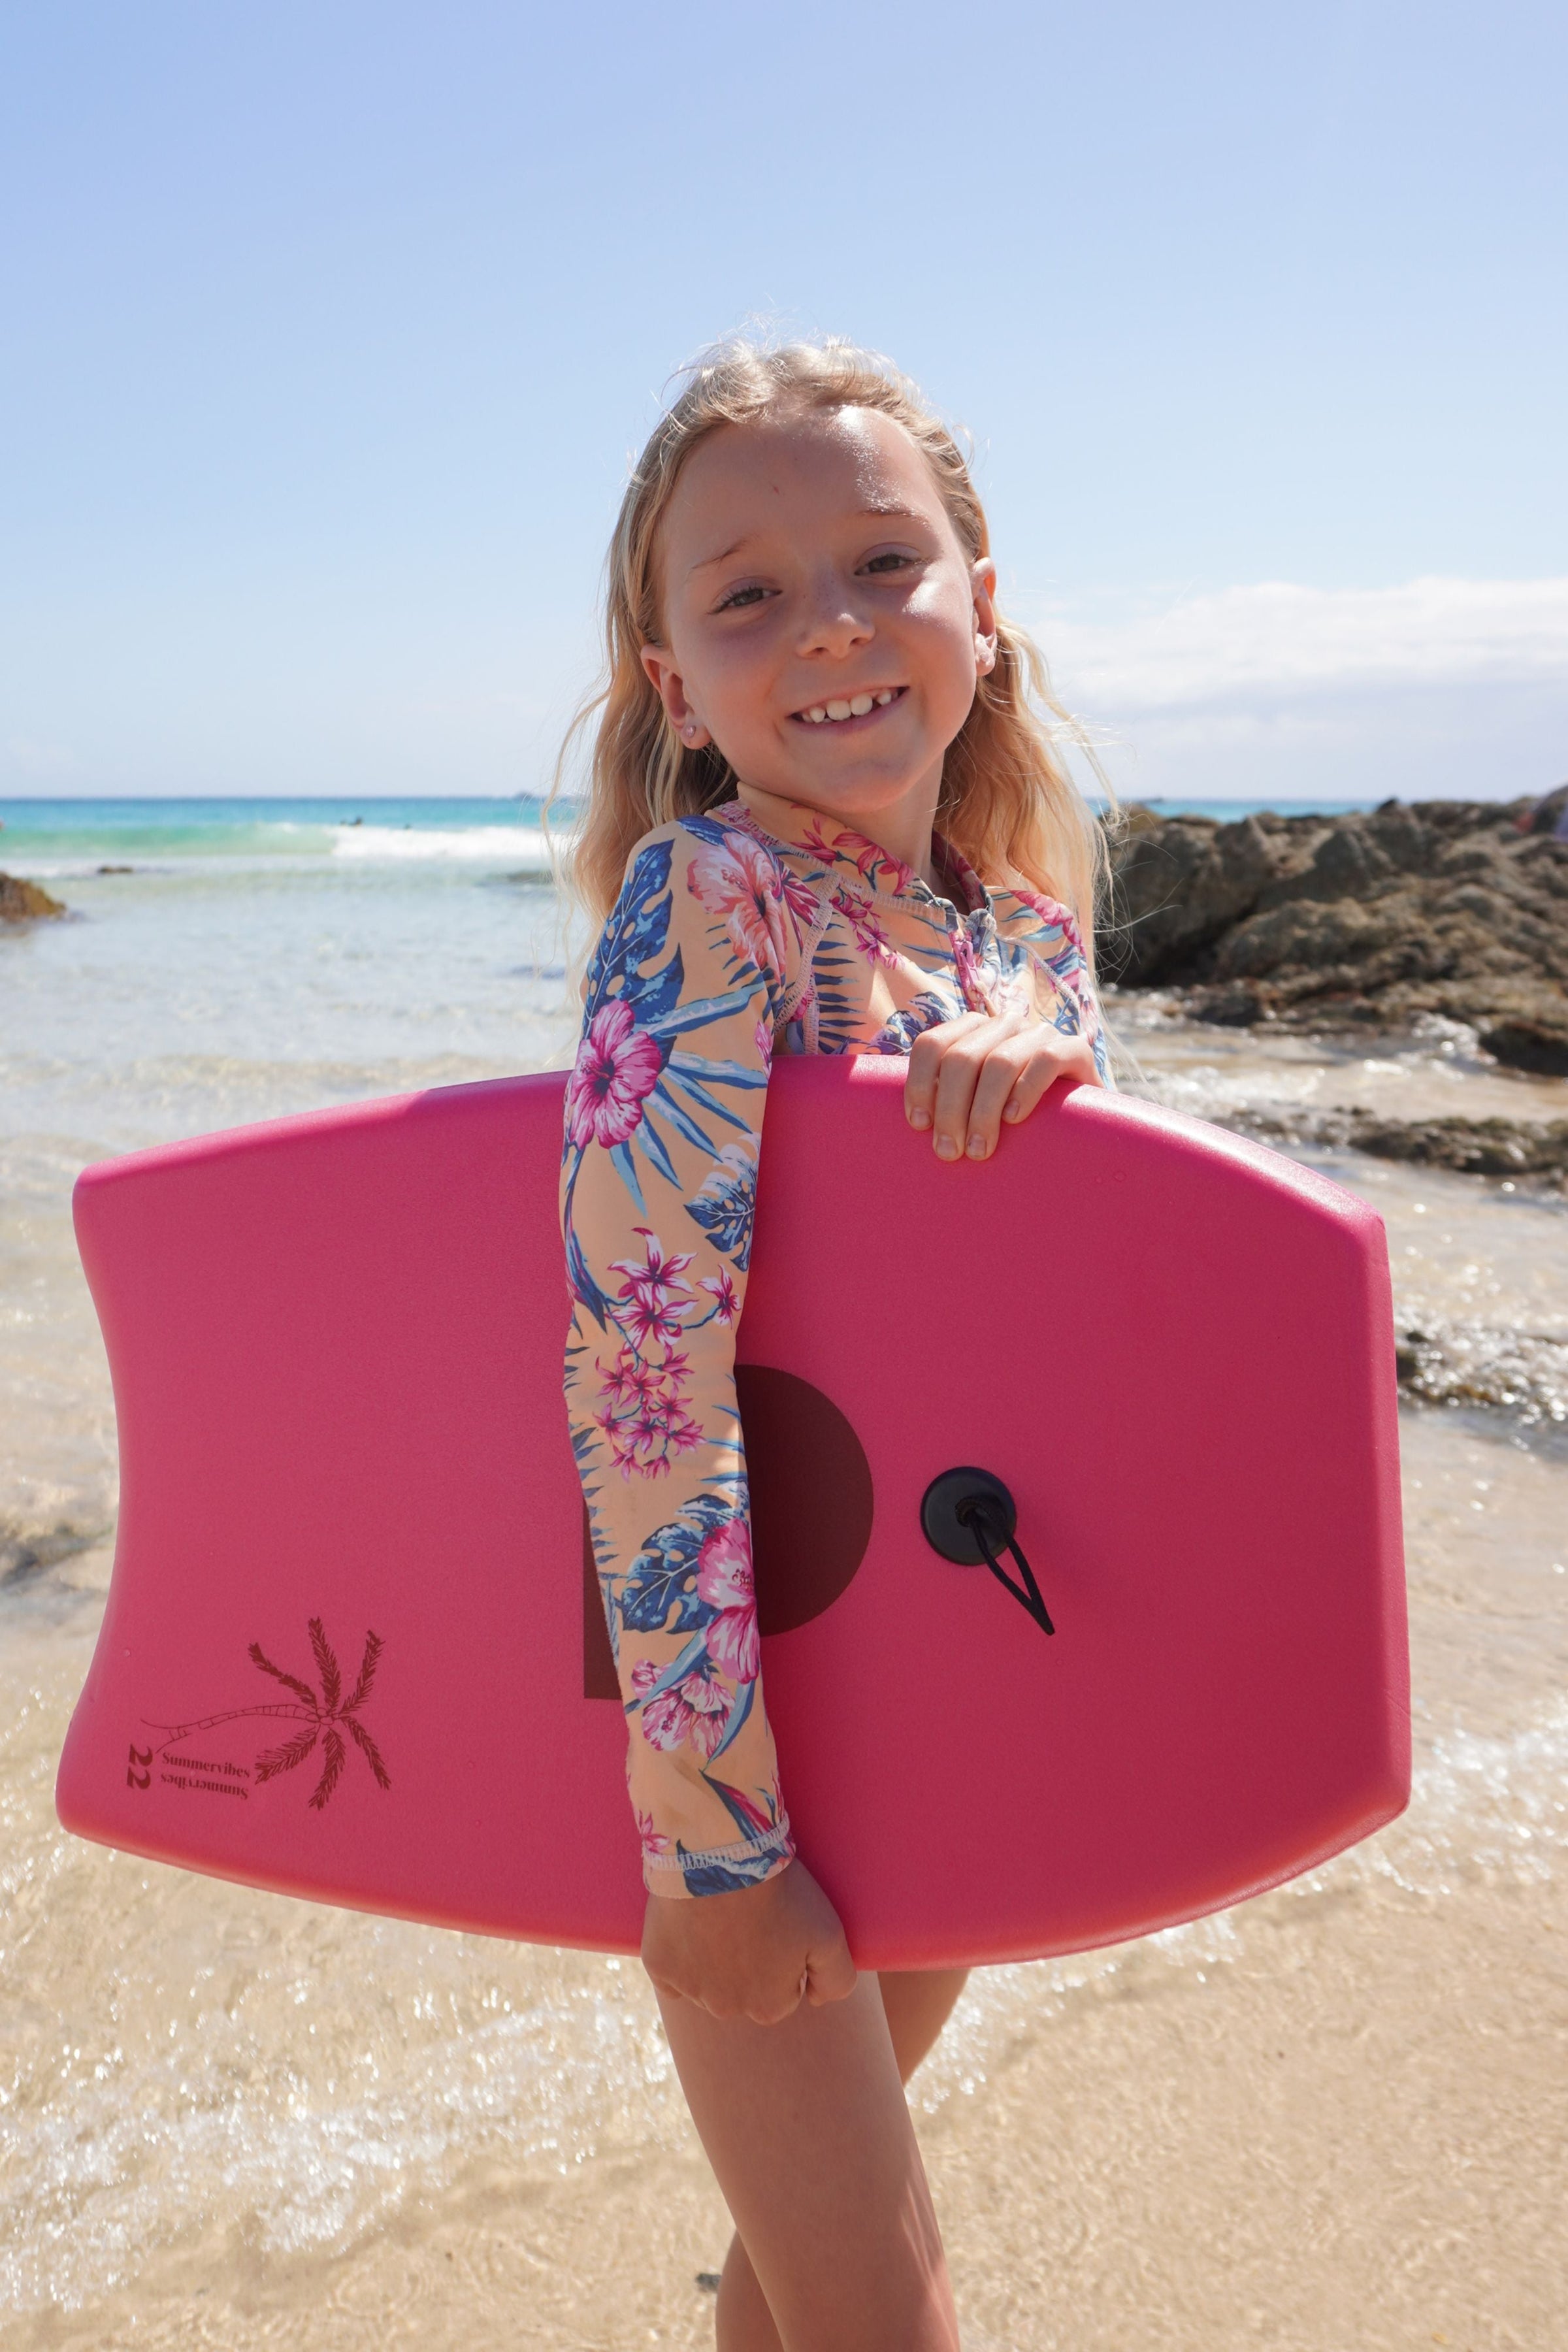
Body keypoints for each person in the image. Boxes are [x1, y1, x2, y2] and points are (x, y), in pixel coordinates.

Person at [557, 338, 1110, 2352]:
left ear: (984, 595)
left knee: (797, 2304)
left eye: (886, 560)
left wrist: (1062, 1071)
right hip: (757, 1732)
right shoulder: (704, 903)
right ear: (670, 681)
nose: (835, 627)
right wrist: (712, 1839)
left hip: (950, 1679)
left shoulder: (1024, 936)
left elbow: (1087, 1337)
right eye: (750, 593)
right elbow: (643, 1376)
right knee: (893, 2316)